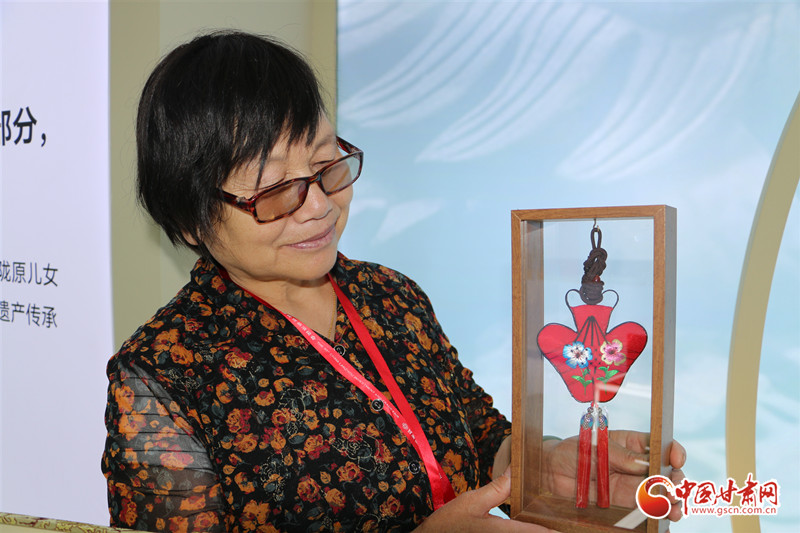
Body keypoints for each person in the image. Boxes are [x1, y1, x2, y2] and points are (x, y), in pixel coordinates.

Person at [102, 30, 685, 533]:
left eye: (327, 166)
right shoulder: (162, 374)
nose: (318, 206)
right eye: (276, 190)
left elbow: (478, 437)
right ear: (190, 219)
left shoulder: (390, 295)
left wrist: (543, 466)